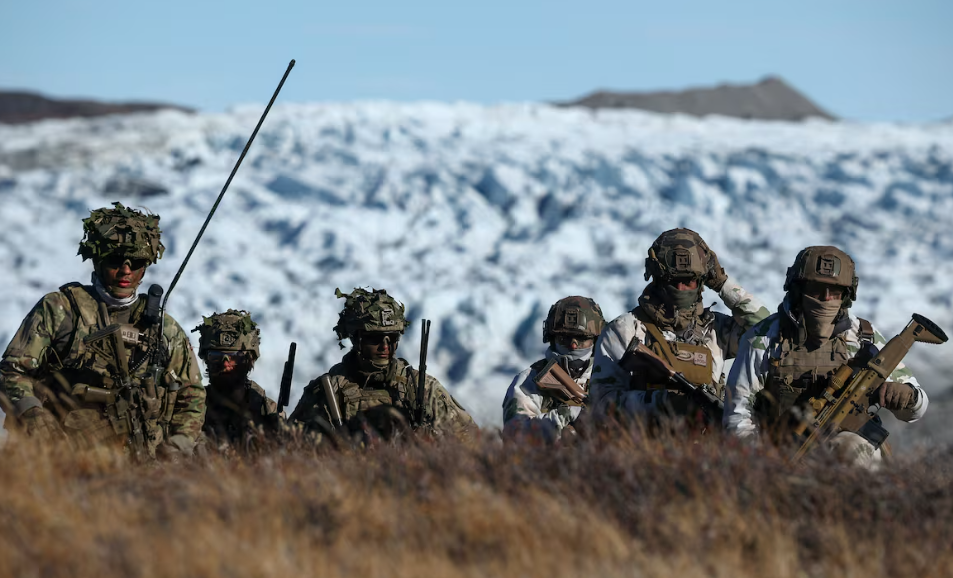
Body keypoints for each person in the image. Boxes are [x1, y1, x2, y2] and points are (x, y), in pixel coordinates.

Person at [0, 202, 206, 460]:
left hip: (144, 465)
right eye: (115, 260)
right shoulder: (60, 310)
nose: (126, 270)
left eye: (137, 261)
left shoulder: (164, 329)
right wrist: (34, 415)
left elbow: (192, 395)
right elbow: (11, 371)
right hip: (59, 459)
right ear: (97, 259)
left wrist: (179, 442)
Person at [724, 246, 928, 467]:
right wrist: (763, 462)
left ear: (846, 296)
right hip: (780, 454)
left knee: (857, 450)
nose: (826, 299)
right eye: (816, 290)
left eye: (835, 292)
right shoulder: (764, 338)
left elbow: (916, 409)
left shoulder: (863, 338)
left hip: (845, 450)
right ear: (797, 290)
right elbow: (737, 414)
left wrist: (908, 396)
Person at [589, 228, 769, 423]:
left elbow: (766, 331)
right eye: (673, 281)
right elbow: (601, 405)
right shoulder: (624, 330)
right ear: (657, 278)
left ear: (702, 282)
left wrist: (722, 283)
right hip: (642, 447)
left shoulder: (717, 329)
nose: (681, 289)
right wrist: (660, 403)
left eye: (689, 281)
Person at [290, 288, 476, 441]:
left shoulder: (422, 388)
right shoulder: (328, 390)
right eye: (375, 338)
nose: (385, 346)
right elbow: (293, 448)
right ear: (356, 339)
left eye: (392, 338)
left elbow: (471, 439)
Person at [502, 296, 605, 441]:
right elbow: (515, 437)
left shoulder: (610, 376)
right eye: (565, 338)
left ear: (595, 339)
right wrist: (566, 415)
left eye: (582, 338)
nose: (573, 345)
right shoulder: (529, 381)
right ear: (552, 338)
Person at [193, 309, 282, 453]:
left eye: (234, 357)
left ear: (249, 360)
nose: (226, 365)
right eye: (216, 357)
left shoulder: (265, 409)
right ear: (206, 360)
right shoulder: (191, 408)